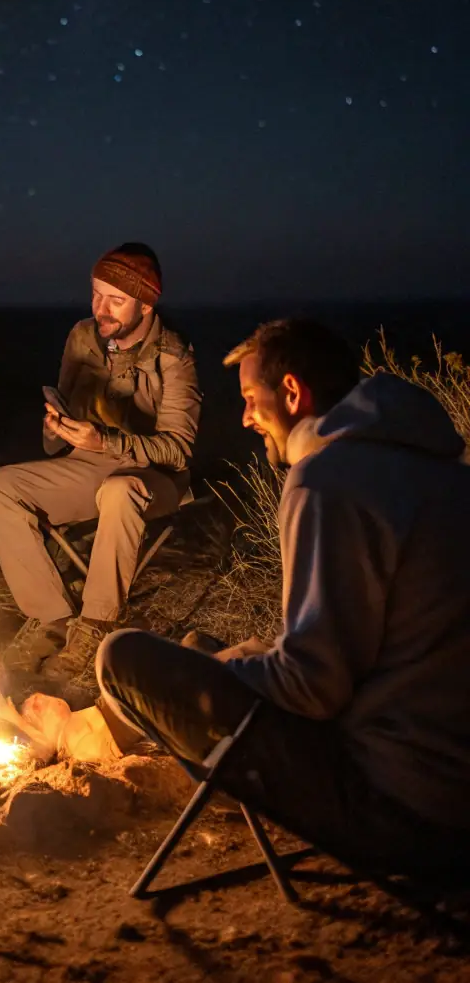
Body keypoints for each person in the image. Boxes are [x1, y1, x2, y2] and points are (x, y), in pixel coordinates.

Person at [98, 317, 470, 879]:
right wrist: (229, 659)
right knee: (203, 646)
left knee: (121, 657)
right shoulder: (442, 471)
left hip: (401, 809)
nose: (246, 418)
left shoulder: (325, 479)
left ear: (292, 392)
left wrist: (222, 668)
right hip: (450, 787)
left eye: (251, 399)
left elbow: (312, 684)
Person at [0, 243, 201, 684]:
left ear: (146, 303)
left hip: (153, 477)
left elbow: (178, 449)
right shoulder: (82, 336)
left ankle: (95, 626)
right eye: (96, 294)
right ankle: (51, 619)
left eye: (116, 300)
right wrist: (58, 425)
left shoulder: (173, 357)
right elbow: (63, 413)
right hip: (88, 461)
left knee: (118, 490)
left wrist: (107, 440)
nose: (102, 308)